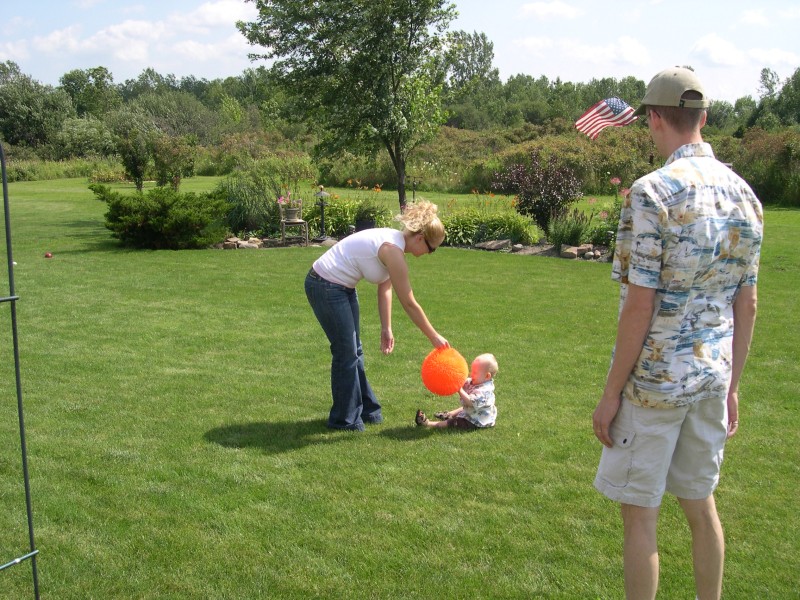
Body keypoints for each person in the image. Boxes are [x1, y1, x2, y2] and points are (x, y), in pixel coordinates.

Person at [592, 67, 763, 600]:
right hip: (712, 378)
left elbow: (639, 305)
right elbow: (748, 303)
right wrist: (733, 386)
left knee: (641, 516)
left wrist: (611, 392)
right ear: (703, 118)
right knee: (700, 505)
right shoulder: (745, 195)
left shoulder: (650, 194)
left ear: (653, 118)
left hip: (655, 385)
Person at [305, 200, 449, 431]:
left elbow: (385, 287)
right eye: (432, 249)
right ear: (421, 238)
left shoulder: (396, 246)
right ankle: (344, 420)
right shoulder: (393, 250)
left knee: (355, 351)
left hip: (342, 288)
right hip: (324, 285)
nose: (431, 254)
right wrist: (434, 336)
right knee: (346, 353)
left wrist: (386, 327)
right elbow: (410, 303)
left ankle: (369, 410)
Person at [415, 353, 498, 429]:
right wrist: (453, 378)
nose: (471, 374)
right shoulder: (478, 381)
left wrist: (460, 390)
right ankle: (449, 414)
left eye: (475, 372)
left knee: (455, 422)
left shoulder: (484, 391)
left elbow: (470, 402)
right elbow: (464, 382)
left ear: (487, 376)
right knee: (463, 409)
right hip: (475, 411)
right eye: (472, 370)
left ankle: (428, 424)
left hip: (476, 421)